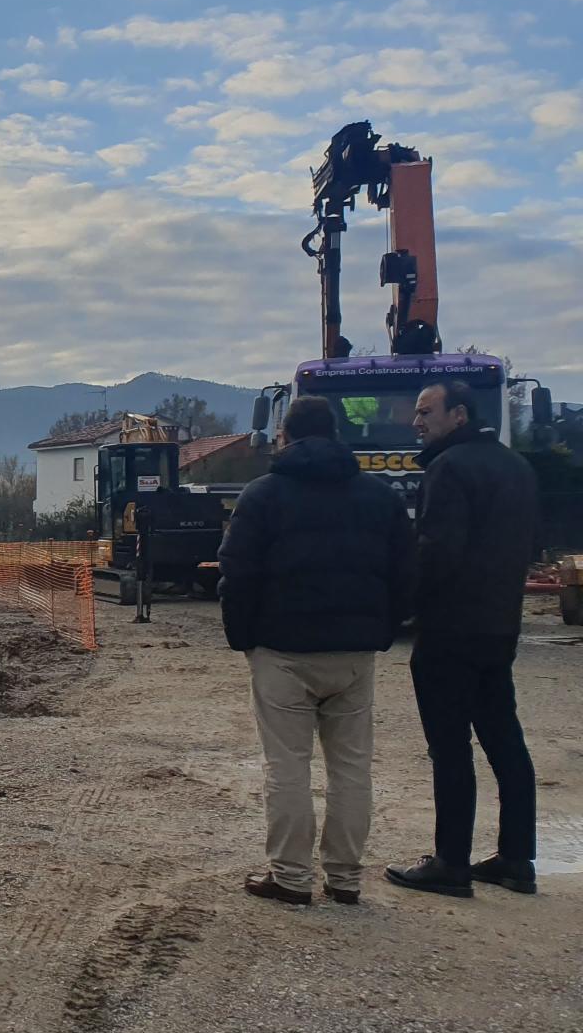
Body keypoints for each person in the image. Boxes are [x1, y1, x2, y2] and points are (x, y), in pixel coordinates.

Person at [218, 397, 414, 906]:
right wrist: (381, 630)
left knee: (287, 765)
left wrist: (242, 637)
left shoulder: (263, 496)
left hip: (282, 650)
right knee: (352, 767)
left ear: (285, 436)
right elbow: (405, 572)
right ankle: (346, 879)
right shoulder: (379, 496)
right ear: (336, 435)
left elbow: (237, 571)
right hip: (354, 654)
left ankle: (290, 876)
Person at [387, 381, 541, 899]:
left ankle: (451, 862)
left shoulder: (448, 468)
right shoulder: (514, 466)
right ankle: (517, 860)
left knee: (450, 748)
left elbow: (437, 551)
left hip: (450, 629)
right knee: (505, 741)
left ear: (458, 414)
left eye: (426, 411)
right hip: (500, 626)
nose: (417, 421)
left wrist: (401, 608)